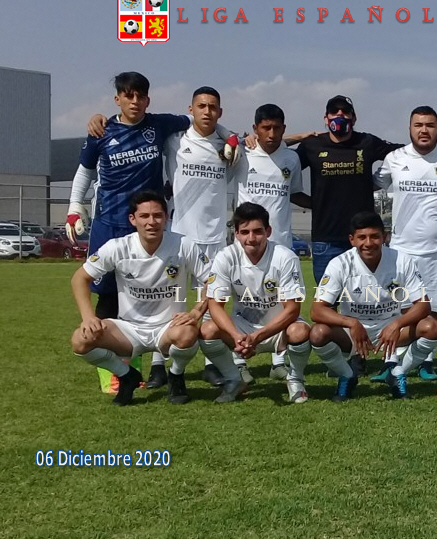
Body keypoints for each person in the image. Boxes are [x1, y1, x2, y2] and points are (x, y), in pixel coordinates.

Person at [68, 72, 199, 393]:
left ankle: (150, 367)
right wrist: (74, 206)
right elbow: (85, 171)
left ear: (148, 99)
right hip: (109, 224)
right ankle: (114, 375)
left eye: (141, 96)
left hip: (148, 222)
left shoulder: (159, 125)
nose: (135, 102)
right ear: (118, 99)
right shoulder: (101, 131)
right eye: (128, 96)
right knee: (107, 295)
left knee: (156, 291)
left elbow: (197, 118)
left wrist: (234, 137)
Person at [69, 191, 222, 406]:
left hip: (168, 328)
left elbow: (214, 282)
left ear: (166, 218)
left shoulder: (183, 244)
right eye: (144, 216)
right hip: (129, 330)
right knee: (80, 340)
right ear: (133, 219)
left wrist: (196, 312)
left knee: (188, 332)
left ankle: (176, 375)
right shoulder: (117, 247)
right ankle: (126, 376)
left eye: (157, 215)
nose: (152, 222)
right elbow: (79, 278)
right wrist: (88, 317)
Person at [373, 106, 437, 380]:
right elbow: (369, 186)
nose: (424, 130)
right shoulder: (395, 159)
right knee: (400, 308)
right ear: (409, 129)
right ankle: (390, 361)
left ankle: (426, 362)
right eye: (418, 125)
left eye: (430, 125)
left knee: (435, 309)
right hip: (402, 250)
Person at [309, 212, 437, 400]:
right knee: (318, 333)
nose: (368, 243)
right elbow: (317, 310)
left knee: (431, 327)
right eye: (362, 237)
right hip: (352, 333)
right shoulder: (339, 264)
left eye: (374, 236)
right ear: (352, 240)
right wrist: (352, 323)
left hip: (391, 329)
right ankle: (347, 375)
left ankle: (397, 372)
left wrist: (397, 324)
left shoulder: (401, 260)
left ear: (384, 237)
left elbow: (424, 304)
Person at [162, 87, 239, 388]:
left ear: (220, 112)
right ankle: (159, 364)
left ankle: (210, 363)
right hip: (180, 234)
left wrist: (230, 137)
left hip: (216, 234)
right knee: (172, 300)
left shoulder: (227, 148)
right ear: (190, 109)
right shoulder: (174, 141)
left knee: (212, 300)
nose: (207, 111)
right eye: (201, 106)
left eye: (213, 107)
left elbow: (259, 142)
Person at [202, 202, 312, 404]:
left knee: (300, 331)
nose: (251, 238)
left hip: (278, 328)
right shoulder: (225, 257)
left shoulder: (285, 257)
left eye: (257, 231)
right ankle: (234, 379)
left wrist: (257, 337)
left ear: (268, 231)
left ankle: (295, 380)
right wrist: (236, 336)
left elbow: (292, 309)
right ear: (236, 234)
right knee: (207, 329)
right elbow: (215, 305)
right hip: (243, 329)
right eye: (245, 232)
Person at [231, 103, 310, 380]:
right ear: (256, 129)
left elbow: (295, 193)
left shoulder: (291, 159)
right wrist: (240, 139)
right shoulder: (242, 153)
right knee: (243, 300)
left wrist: (325, 205)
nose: (272, 134)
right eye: (266, 128)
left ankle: (279, 360)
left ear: (284, 129)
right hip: (245, 244)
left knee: (279, 302)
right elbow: (222, 142)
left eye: (277, 128)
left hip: (281, 243)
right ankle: (239, 362)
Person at [291, 95, 403, 283]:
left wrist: (436, 147)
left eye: (345, 111)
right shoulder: (312, 145)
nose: (340, 114)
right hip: (326, 240)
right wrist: (315, 203)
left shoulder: (367, 142)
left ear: (354, 118)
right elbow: (284, 168)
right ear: (326, 118)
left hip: (363, 239)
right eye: (334, 111)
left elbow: (404, 153)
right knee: (327, 298)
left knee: (367, 295)